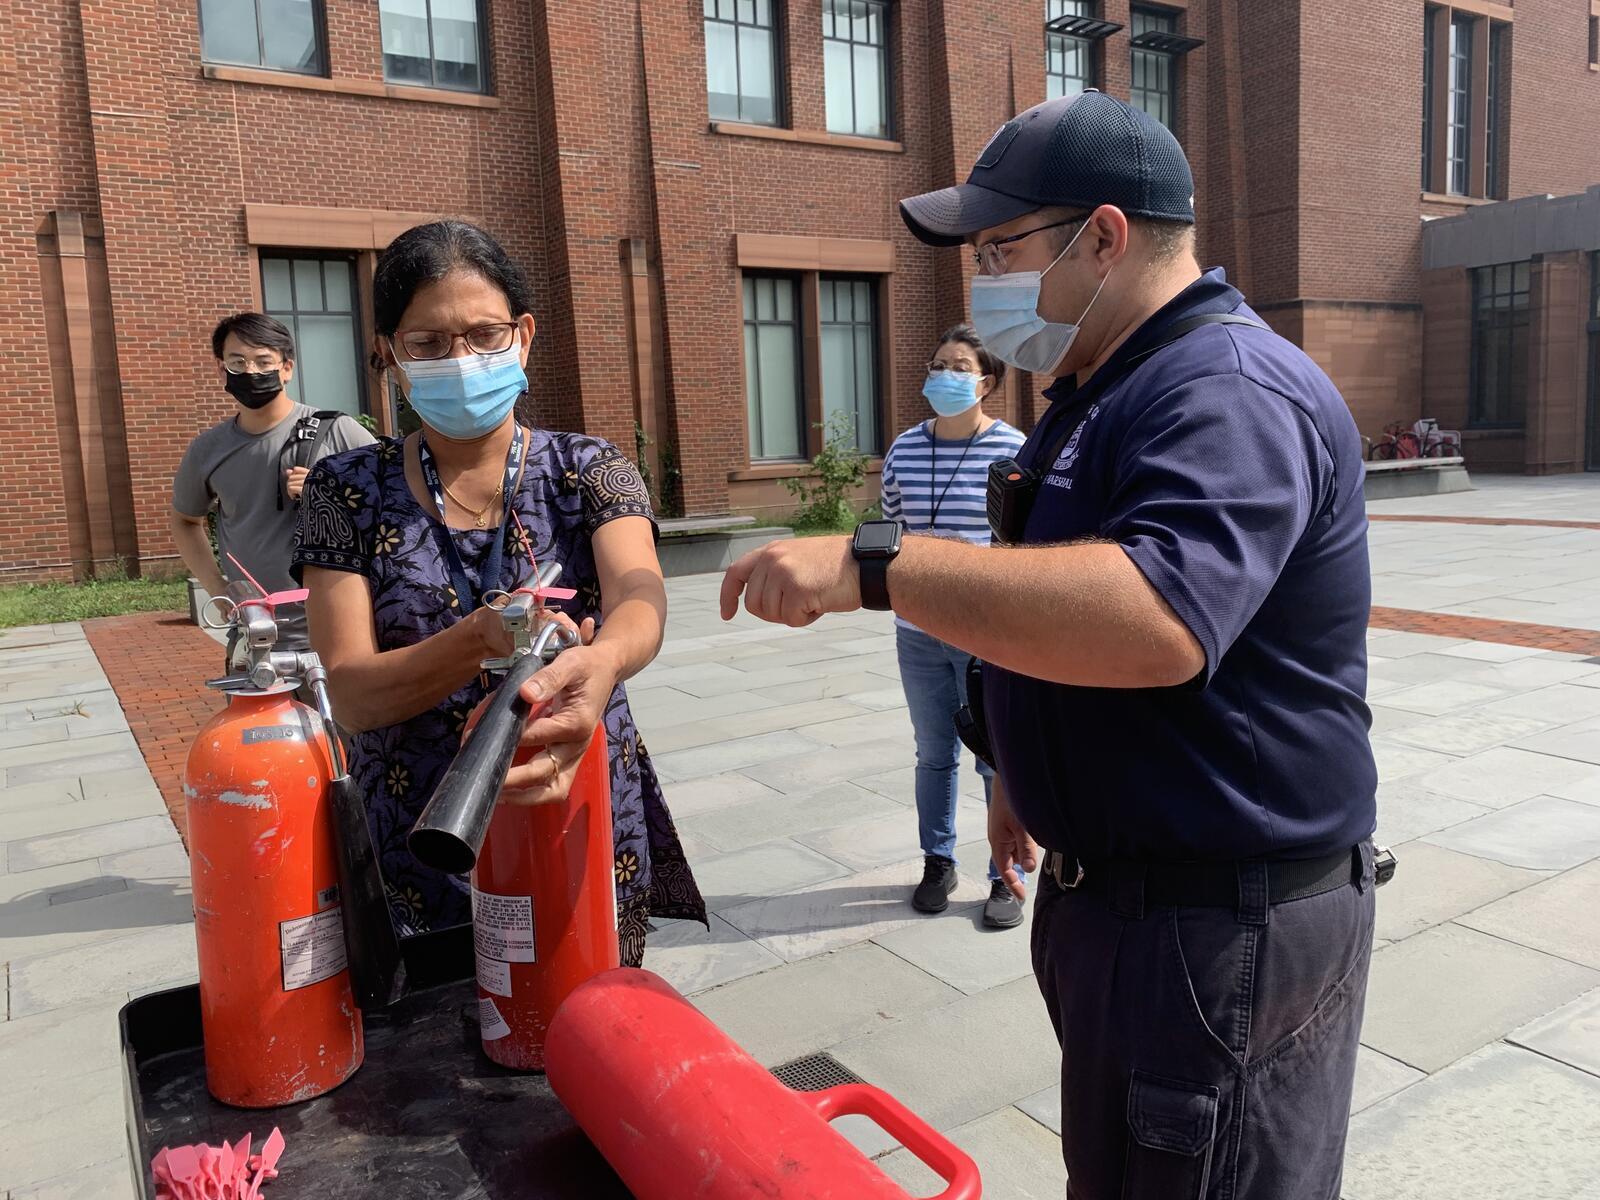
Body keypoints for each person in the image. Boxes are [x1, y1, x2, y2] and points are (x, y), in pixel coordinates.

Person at [719, 91, 1379, 1200]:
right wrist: (1020, 765)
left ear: (1105, 237)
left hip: (1218, 916)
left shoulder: (1224, 389)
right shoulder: (1105, 384)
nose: (981, 280)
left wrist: (874, 566)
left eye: (998, 247)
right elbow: (1049, 589)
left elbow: (1157, 616)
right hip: (1130, 898)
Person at [293, 220, 704, 964]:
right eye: (428, 343)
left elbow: (640, 602)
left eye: (484, 335)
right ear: (388, 354)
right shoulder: (345, 490)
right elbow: (351, 693)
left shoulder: (586, 469)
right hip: (421, 827)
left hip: (570, 790)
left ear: (524, 335)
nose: (462, 360)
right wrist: (475, 640)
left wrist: (602, 660)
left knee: (587, 1017)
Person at [880, 325, 1026, 928]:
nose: (944, 374)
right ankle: (937, 861)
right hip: (917, 629)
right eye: (938, 363)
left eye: (958, 366)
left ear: (986, 381)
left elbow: (1022, 542)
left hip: (984, 633)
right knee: (933, 752)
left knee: (995, 755)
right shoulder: (904, 449)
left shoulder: (1013, 448)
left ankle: (1003, 876)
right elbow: (892, 531)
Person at [172, 313, 375, 661]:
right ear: (222, 370)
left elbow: (395, 505)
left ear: (287, 368)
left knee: (345, 718)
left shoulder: (338, 431)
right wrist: (218, 589)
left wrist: (328, 490)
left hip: (342, 633)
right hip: (255, 634)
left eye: (263, 361)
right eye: (238, 362)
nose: (251, 371)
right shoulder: (208, 450)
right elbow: (184, 521)